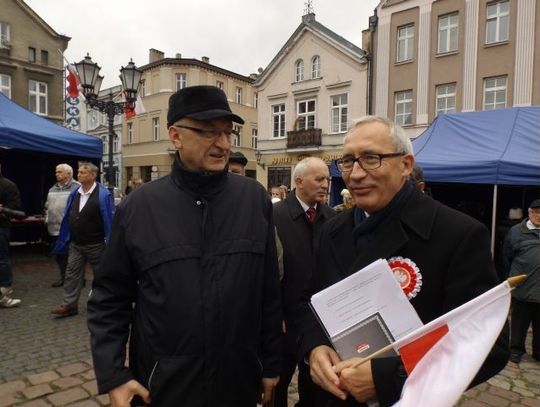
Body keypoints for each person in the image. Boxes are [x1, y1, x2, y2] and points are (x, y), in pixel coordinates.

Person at [87, 85, 282, 407]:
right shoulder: (139, 206)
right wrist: (113, 375)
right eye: (208, 132)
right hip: (165, 385)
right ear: (175, 136)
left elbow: (268, 291)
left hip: (238, 380)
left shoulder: (253, 198)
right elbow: (109, 298)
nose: (223, 144)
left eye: (227, 132)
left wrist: (271, 363)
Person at [297, 116, 509, 406]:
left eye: (371, 159)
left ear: (406, 165)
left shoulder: (458, 234)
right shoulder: (332, 229)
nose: (355, 174)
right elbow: (309, 303)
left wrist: (387, 377)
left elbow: (488, 345)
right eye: (347, 161)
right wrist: (314, 347)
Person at [273, 157, 335, 407]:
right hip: (283, 322)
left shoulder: (331, 217)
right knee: (277, 384)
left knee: (314, 386)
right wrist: (275, 313)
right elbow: (266, 272)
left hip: (318, 321)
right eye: (319, 179)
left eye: (327, 179)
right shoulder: (273, 215)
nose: (325, 185)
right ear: (298, 181)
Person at [50, 162, 114, 317]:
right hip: (76, 243)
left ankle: (104, 304)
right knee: (71, 274)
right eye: (78, 172)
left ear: (93, 175)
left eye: (83, 172)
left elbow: (109, 219)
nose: (79, 175)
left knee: (101, 275)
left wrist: (110, 241)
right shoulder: (75, 193)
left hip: (96, 244)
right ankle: (70, 305)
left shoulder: (103, 194)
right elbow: (69, 215)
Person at [503, 199, 540, 364]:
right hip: (522, 287)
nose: (539, 216)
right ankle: (516, 350)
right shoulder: (516, 231)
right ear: (529, 212)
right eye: (536, 212)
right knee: (519, 322)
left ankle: (538, 352)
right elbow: (506, 257)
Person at [44, 164, 80, 287]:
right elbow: (47, 206)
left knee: (73, 256)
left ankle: (76, 279)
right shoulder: (52, 189)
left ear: (69, 174)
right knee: (60, 255)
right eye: (56, 172)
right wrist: (47, 219)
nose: (57, 174)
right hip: (54, 229)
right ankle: (64, 277)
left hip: (70, 229)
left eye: (59, 172)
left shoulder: (77, 188)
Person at [0, 166, 22, 308]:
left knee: (2, 259)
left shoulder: (8, 185)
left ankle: (5, 290)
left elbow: (15, 208)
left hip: (1, 227)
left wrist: (3, 210)